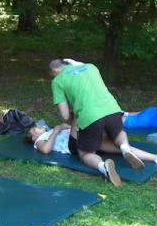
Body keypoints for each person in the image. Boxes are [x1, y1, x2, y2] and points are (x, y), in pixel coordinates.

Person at [49, 59, 147, 187]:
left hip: (90, 117)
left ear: (55, 72)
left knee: (85, 154)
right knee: (118, 133)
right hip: (113, 109)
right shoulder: (91, 67)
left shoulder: (58, 81)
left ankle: (102, 166)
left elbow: (65, 115)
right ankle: (125, 148)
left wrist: (74, 108)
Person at [25, 122, 157, 167]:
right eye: (33, 130)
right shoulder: (39, 141)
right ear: (33, 137)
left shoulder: (49, 131)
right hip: (78, 143)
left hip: (81, 137)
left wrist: (64, 127)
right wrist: (55, 131)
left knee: (117, 144)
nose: (37, 127)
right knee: (117, 144)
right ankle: (155, 157)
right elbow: (45, 150)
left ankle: (155, 157)